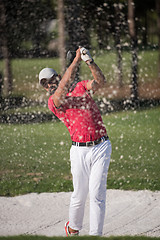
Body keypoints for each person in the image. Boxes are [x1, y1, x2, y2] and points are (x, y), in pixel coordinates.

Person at [38, 47, 112, 236]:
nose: (50, 85)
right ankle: (73, 229)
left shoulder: (80, 87)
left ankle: (95, 235)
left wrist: (89, 61)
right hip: (79, 151)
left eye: (52, 79)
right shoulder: (54, 101)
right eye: (45, 84)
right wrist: (76, 60)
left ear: (58, 76)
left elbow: (100, 82)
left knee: (97, 195)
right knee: (79, 195)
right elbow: (63, 87)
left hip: (101, 146)